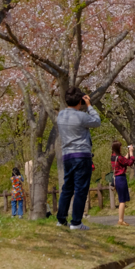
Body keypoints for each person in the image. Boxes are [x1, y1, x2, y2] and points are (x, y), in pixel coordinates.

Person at [56, 87, 101, 231]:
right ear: (80, 101)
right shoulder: (82, 117)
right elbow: (97, 121)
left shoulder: (61, 115)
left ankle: (61, 220)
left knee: (67, 188)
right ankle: (76, 222)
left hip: (67, 156)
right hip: (81, 155)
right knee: (81, 189)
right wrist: (89, 106)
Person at [111, 140, 135, 226]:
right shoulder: (119, 158)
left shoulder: (113, 156)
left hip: (116, 179)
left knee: (122, 199)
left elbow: (122, 160)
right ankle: (120, 220)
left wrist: (128, 153)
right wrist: (131, 153)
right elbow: (129, 162)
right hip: (121, 178)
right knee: (122, 201)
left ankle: (121, 219)